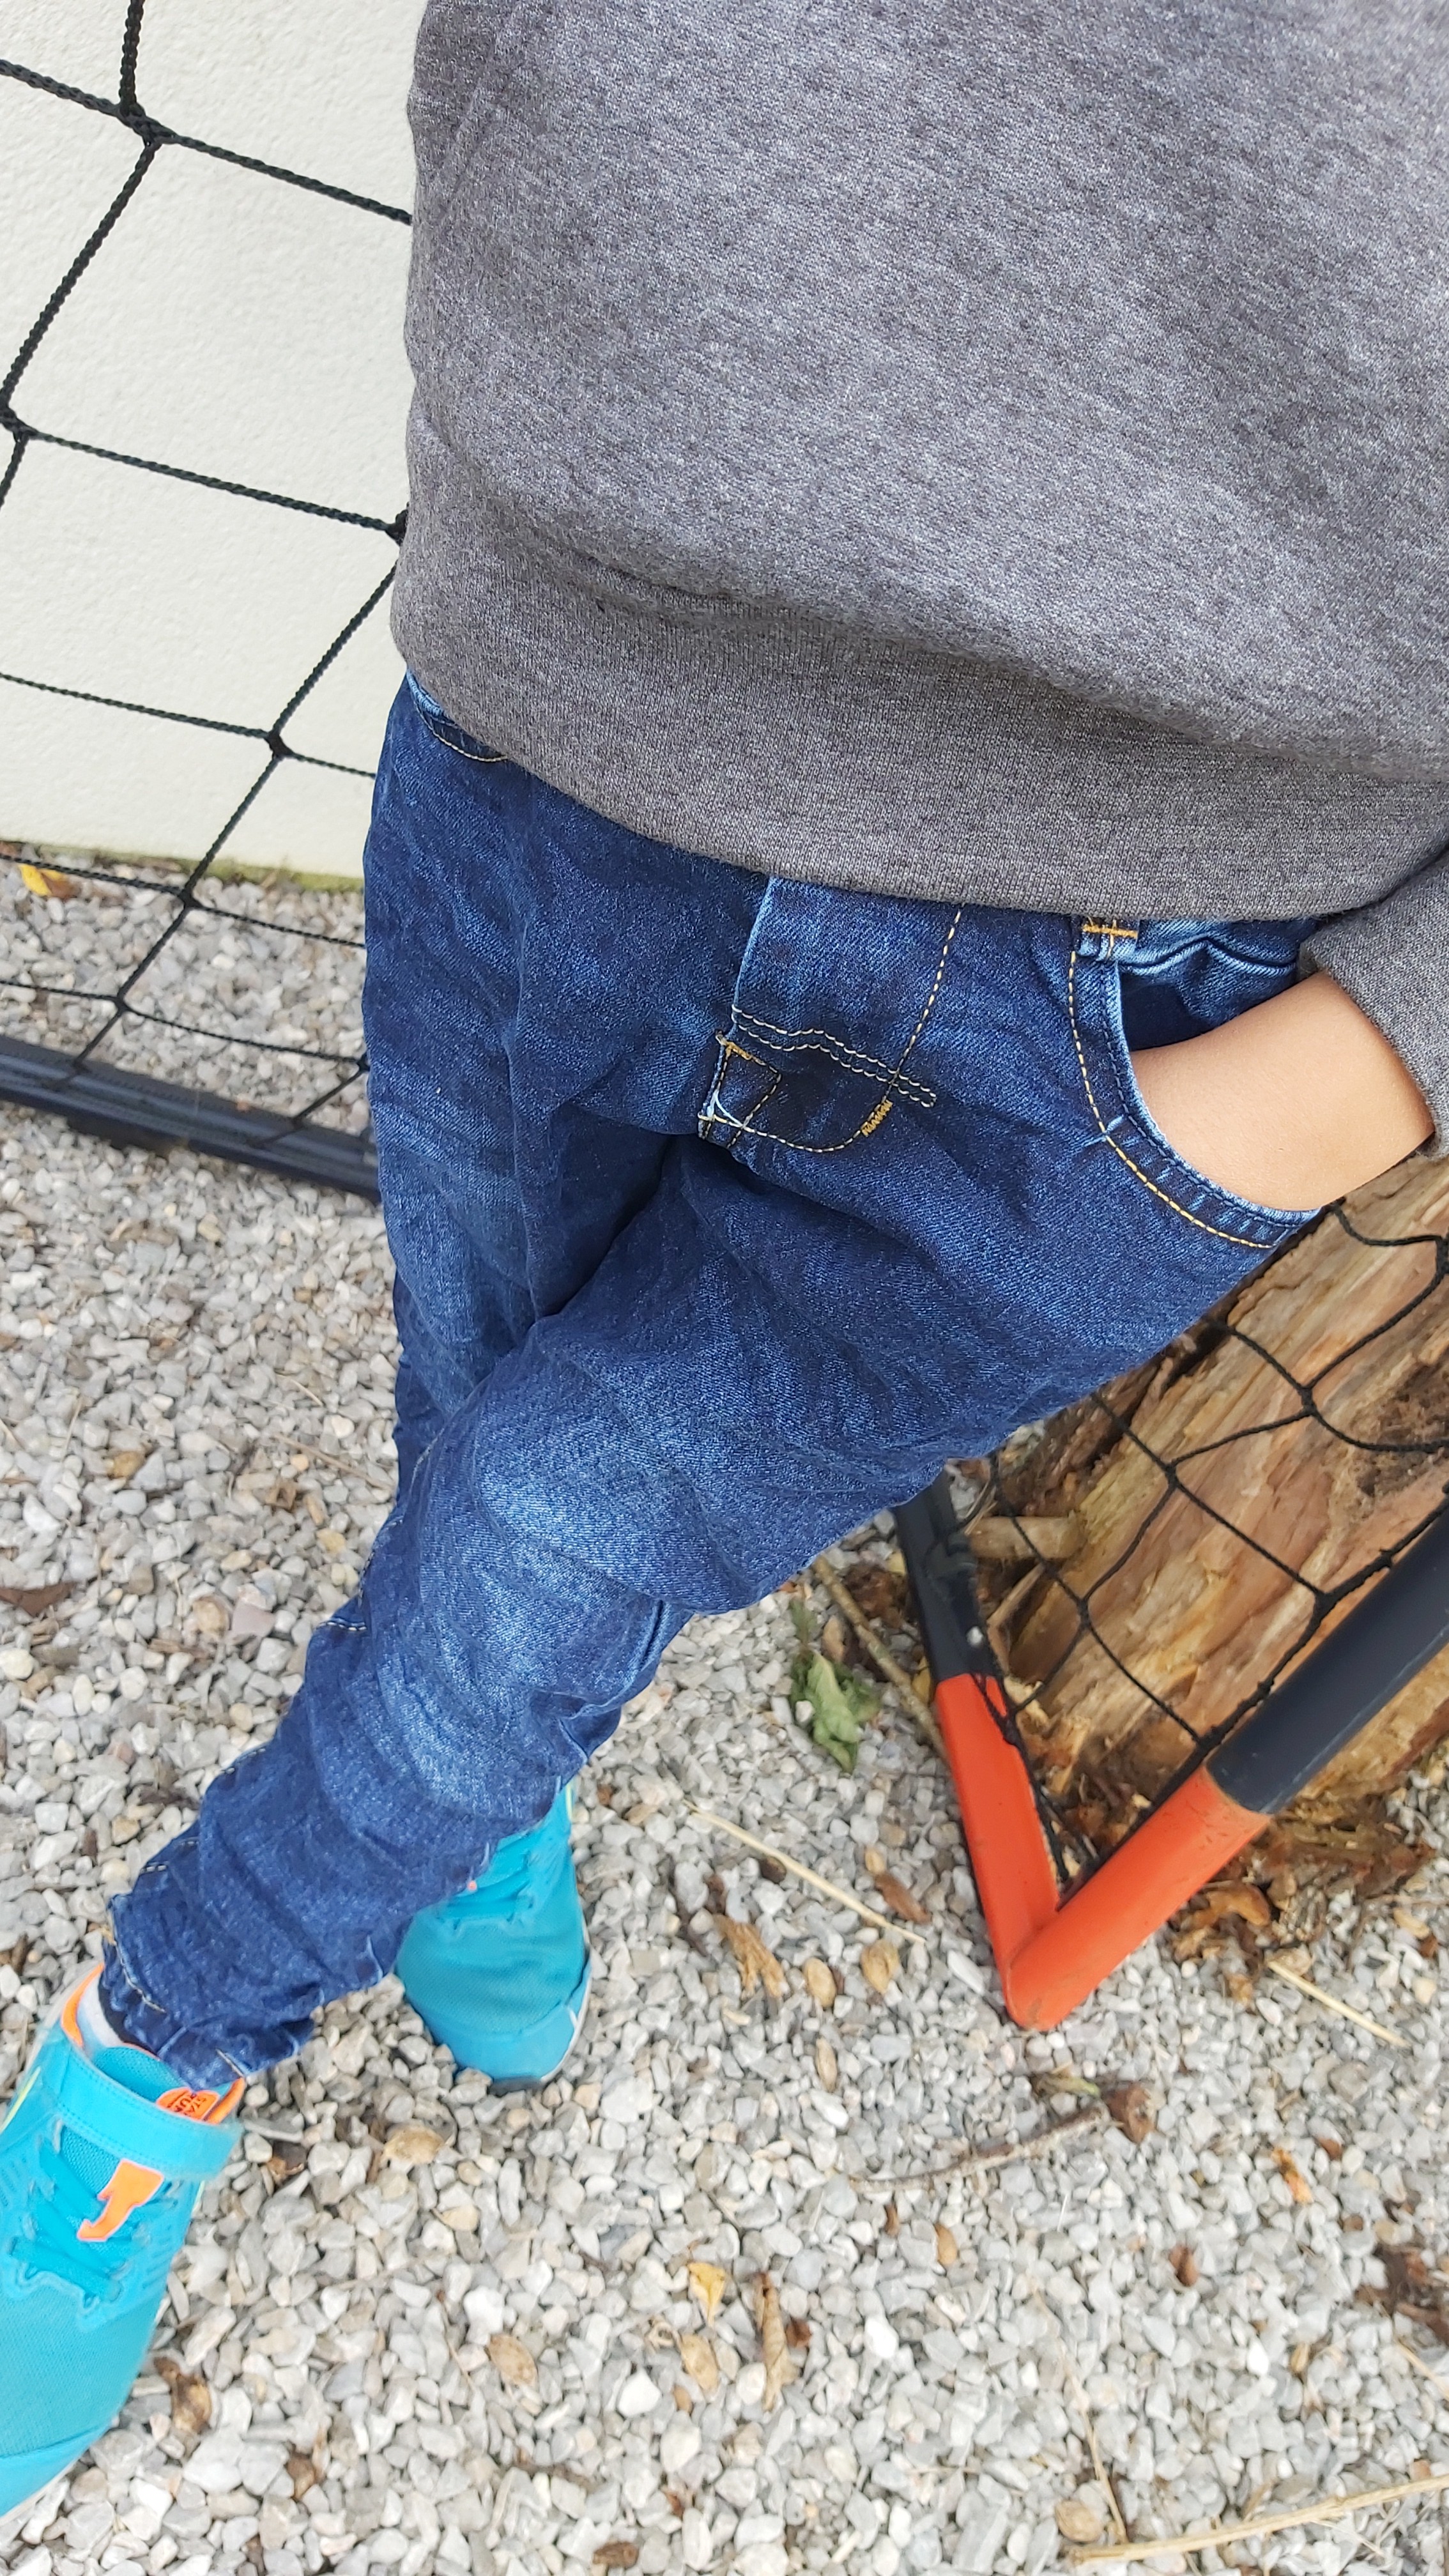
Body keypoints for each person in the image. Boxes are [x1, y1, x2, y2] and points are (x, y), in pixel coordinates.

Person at [2, 0, 1443, 2511]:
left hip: (1175, 971)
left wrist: (1390, 1045)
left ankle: (149, 2052)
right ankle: (473, 1803)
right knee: (484, 1401)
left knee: (562, 1509)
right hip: (567, 731)